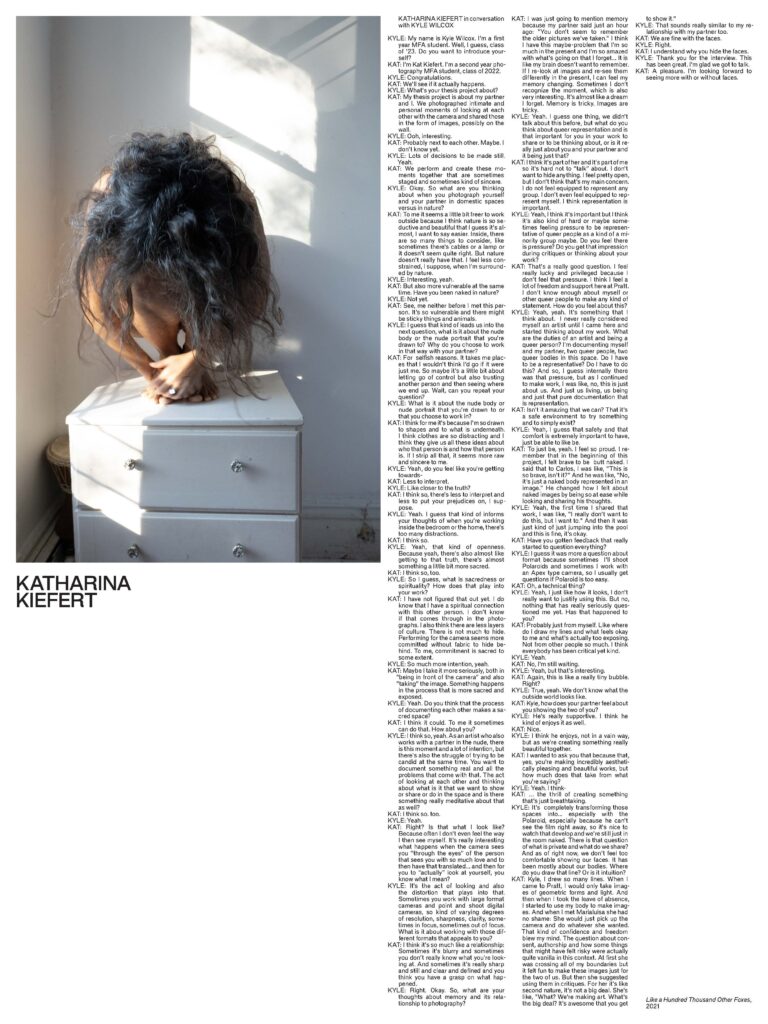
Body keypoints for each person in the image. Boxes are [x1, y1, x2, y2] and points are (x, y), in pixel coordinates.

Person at [72, 131, 281, 403]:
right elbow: (96, 308)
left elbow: (253, 296)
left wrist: (198, 358)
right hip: (141, 289)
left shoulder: (232, 200)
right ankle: (169, 355)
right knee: (142, 282)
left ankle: (188, 359)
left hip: (209, 283)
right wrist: (152, 373)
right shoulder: (109, 203)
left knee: (202, 281)